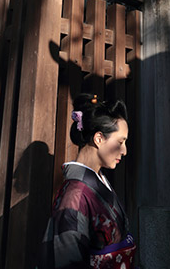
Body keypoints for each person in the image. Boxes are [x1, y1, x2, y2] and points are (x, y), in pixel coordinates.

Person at [38, 93, 136, 268]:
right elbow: (66, 263)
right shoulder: (75, 196)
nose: (124, 151)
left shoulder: (97, 182)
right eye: (120, 142)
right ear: (99, 139)